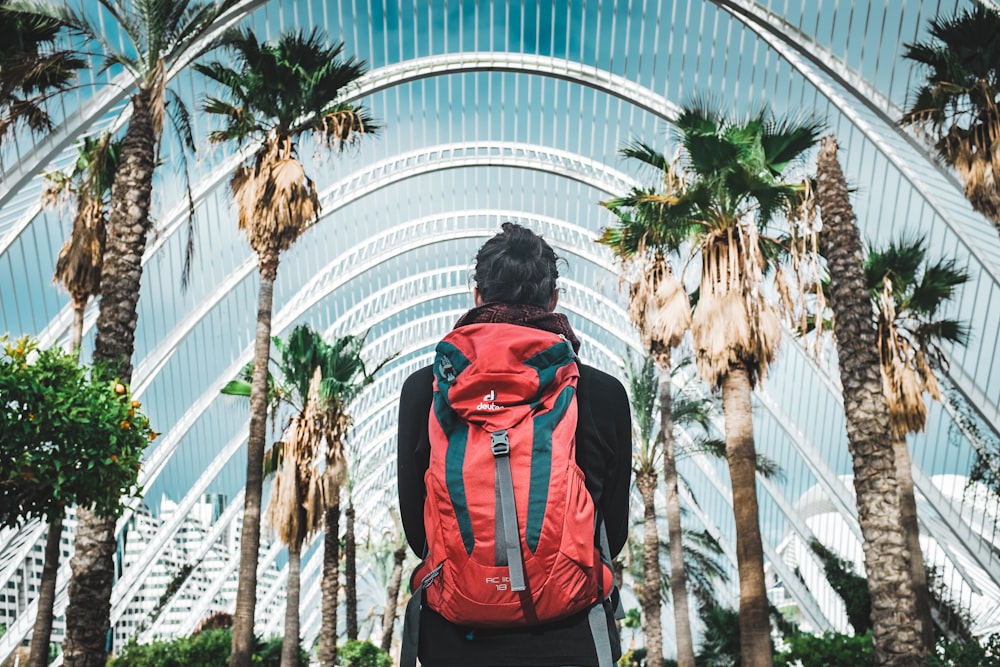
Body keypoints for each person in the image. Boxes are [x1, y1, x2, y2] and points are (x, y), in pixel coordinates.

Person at [396, 222, 632, 667]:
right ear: (553, 300)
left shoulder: (423, 391)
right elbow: (611, 534)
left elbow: (417, 531)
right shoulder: (599, 392)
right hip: (571, 640)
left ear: (477, 295)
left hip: (455, 642)